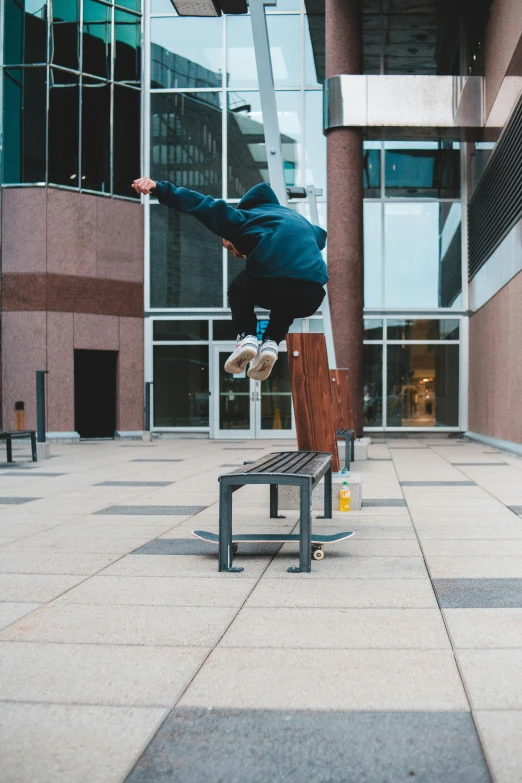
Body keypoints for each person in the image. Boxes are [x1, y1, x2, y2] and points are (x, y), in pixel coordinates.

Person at [132, 177, 328, 381]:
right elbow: (321, 236)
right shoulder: (297, 219)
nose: (234, 254)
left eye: (229, 247)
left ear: (229, 235)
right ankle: (271, 343)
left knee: (239, 289)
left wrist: (159, 189)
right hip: (311, 296)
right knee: (286, 298)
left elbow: (201, 205)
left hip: (276, 280)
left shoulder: (243, 219)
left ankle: (247, 338)